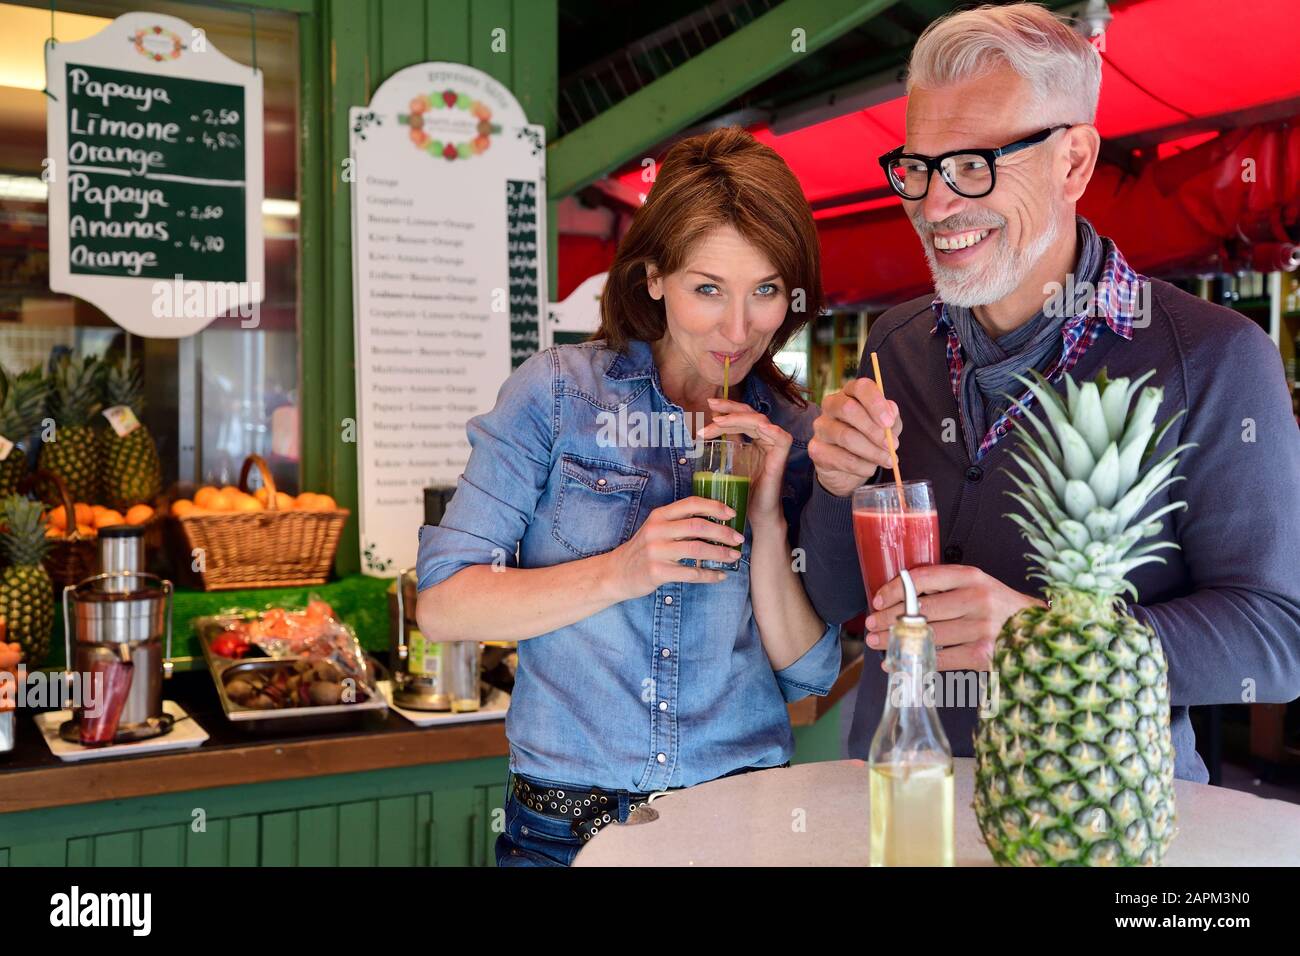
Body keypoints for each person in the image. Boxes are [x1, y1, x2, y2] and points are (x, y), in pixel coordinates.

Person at [798, 3, 1300, 782]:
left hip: (1101, 816)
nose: (934, 206)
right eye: (920, 168)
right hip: (900, 792)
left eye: (974, 165)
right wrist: (834, 489)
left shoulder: (1217, 357)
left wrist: (1043, 639)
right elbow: (838, 601)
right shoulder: (893, 343)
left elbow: (1276, 640)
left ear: (1073, 162)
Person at [416, 127, 842, 866]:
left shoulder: (792, 430)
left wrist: (769, 515)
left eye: (765, 290)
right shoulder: (557, 395)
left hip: (741, 819)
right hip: (564, 831)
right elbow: (446, 605)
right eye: (707, 288)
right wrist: (624, 568)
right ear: (653, 277)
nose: (738, 329)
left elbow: (810, 672)